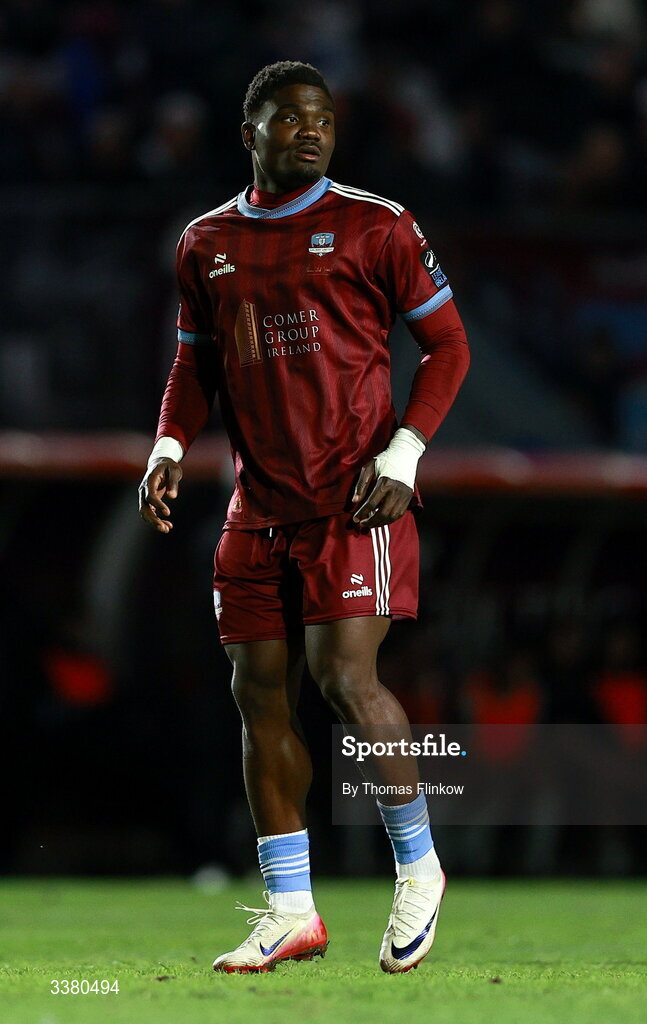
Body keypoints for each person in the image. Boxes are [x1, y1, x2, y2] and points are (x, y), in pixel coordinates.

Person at [138, 60, 469, 974]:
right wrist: (168, 446)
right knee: (255, 695)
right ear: (251, 133)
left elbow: (447, 346)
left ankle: (420, 867)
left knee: (344, 679)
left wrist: (406, 452)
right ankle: (291, 907)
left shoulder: (378, 225)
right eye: (290, 119)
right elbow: (194, 364)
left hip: (353, 495)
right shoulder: (206, 242)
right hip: (258, 504)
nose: (311, 132)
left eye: (322, 118)